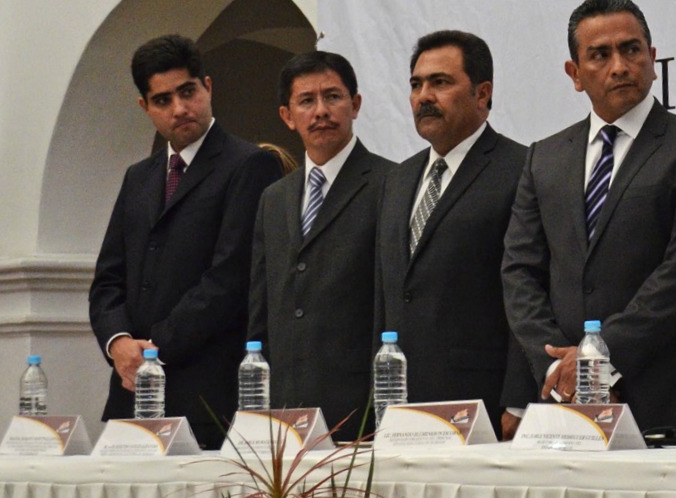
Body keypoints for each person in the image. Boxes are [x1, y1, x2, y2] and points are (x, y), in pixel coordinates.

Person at [501, 0, 676, 430]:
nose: (619, 66)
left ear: (653, 59)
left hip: (657, 394)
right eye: (599, 55)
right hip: (561, 399)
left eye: (631, 50)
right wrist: (561, 371)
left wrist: (599, 357)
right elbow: (520, 272)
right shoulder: (545, 158)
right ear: (574, 74)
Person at [88, 35, 282, 447]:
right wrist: (118, 343)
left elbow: (228, 280)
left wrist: (152, 353)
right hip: (131, 395)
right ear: (145, 107)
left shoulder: (249, 165)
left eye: (188, 92)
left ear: (208, 87)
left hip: (205, 395)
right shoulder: (138, 177)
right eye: (162, 100)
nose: (179, 109)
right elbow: (107, 281)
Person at [375, 31, 531, 436]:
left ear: (483, 93)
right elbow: (388, 292)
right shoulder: (398, 178)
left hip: (482, 402)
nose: (424, 95)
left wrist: (518, 397)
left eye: (440, 82)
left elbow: (530, 287)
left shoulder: (522, 169)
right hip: (399, 404)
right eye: (416, 84)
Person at [248, 51, 385, 438]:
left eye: (333, 97)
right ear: (287, 117)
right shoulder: (273, 198)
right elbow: (261, 306)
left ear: (355, 105)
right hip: (285, 410)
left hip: (361, 409)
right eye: (306, 101)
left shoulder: (391, 183)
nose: (321, 111)